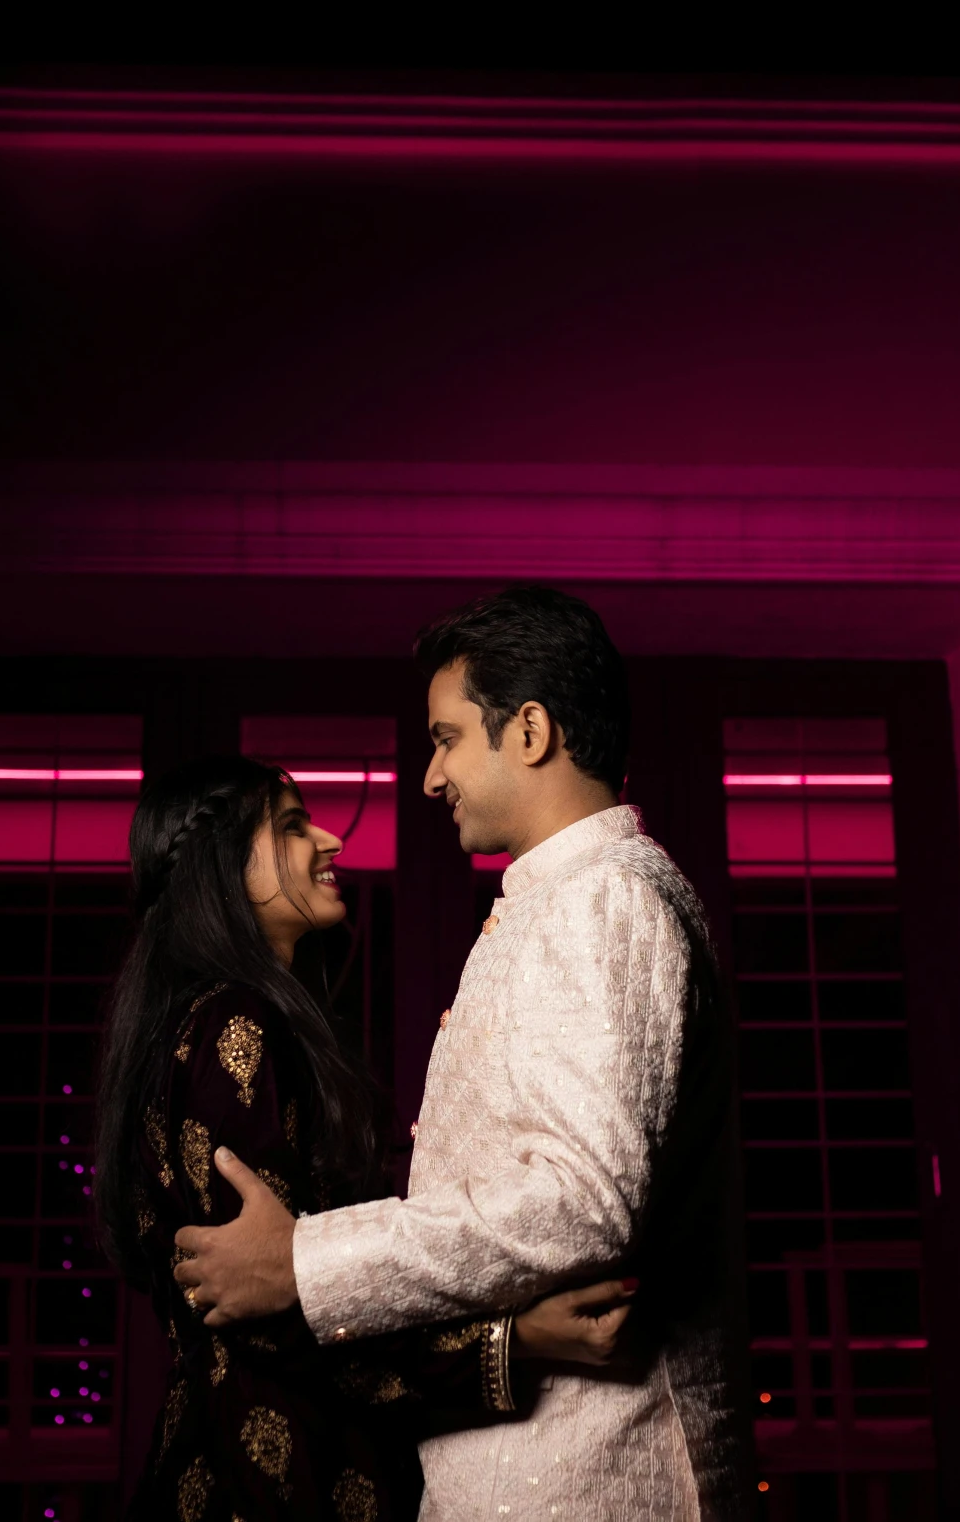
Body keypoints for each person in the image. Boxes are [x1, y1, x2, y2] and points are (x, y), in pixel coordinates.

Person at [175, 587, 745, 1519]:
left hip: (589, 1475)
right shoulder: (562, 897)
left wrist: (307, 1261)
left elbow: (582, 1200)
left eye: (444, 739)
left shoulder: (603, 901)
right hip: (536, 1464)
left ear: (528, 730)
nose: (431, 776)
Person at [96, 752, 637, 1520]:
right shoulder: (229, 1026)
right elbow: (279, 1308)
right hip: (273, 1483)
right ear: (221, 868)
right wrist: (514, 1339)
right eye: (290, 826)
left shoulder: (207, 1022)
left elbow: (303, 1281)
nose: (330, 840)